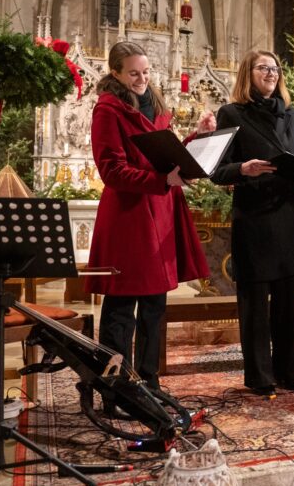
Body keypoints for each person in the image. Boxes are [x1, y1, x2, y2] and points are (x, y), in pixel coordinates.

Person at [86, 41, 212, 410]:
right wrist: (161, 181)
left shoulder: (154, 105)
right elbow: (111, 170)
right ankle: (116, 390)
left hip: (160, 211)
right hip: (129, 217)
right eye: (133, 73)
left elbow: (164, 154)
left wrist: (197, 138)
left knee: (155, 306)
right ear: (115, 73)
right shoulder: (107, 110)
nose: (142, 79)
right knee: (121, 308)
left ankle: (149, 383)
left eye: (145, 72)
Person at [210, 50, 294, 396]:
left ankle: (290, 373)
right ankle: (260, 377)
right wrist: (243, 169)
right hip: (254, 217)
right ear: (249, 73)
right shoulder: (232, 113)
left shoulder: (291, 114)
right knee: (256, 305)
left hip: (288, 215)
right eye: (264, 68)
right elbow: (216, 170)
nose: (271, 74)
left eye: (275, 69)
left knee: (291, 301)